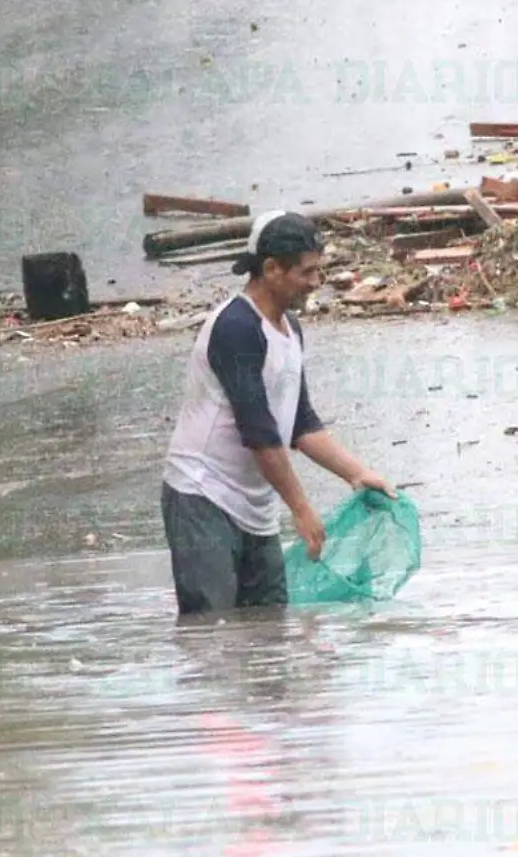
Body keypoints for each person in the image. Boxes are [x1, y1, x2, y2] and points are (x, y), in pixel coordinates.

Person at [161, 211, 396, 617]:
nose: (316, 283)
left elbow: (300, 423)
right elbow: (259, 432)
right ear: (270, 269)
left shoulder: (290, 330)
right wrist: (302, 509)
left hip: (256, 507)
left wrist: (357, 473)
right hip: (202, 496)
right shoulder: (235, 327)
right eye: (307, 273)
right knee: (209, 629)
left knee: (267, 628)